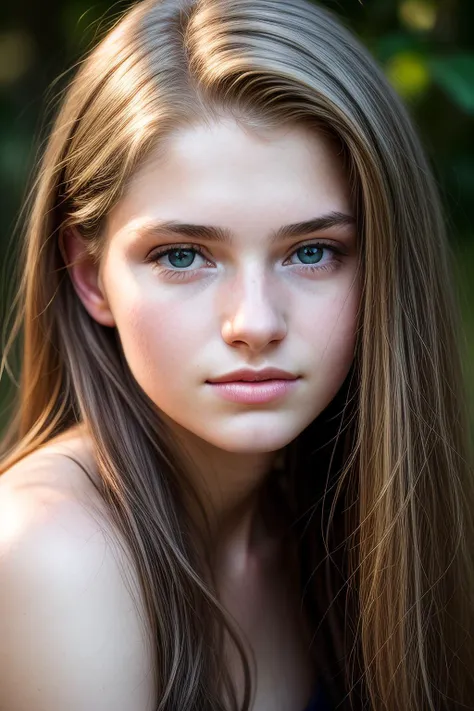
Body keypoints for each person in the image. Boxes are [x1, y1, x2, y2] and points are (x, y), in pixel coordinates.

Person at [0, 0, 473, 709]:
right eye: (184, 255)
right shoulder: (52, 553)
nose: (254, 322)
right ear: (92, 275)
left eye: (313, 252)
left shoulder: (345, 525)